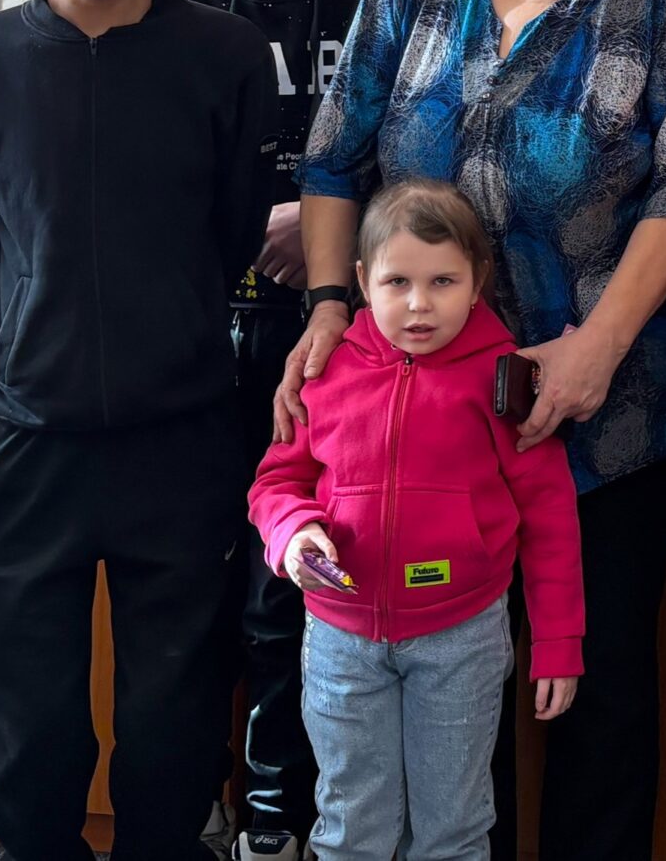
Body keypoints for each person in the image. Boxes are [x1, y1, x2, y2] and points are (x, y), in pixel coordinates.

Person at [281, 0, 666, 861]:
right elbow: (335, 154)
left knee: (598, 686)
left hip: (606, 406)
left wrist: (594, 348)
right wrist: (331, 306)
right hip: (426, 405)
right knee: (447, 688)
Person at [0, 0, 278, 861]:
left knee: (175, 715)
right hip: (26, 438)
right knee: (27, 719)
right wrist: (18, 366)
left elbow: (232, 234)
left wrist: (164, 333)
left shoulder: (226, 53)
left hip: (181, 431)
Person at [167, 0, 378, 861]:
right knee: (202, 572)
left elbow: (426, 137)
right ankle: (198, 792)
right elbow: (157, 166)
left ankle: (277, 811)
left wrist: (328, 225)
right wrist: (259, 219)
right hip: (212, 327)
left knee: (299, 578)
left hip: (355, 326)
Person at [250, 178, 584, 861]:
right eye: (398, 282)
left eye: (442, 282)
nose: (419, 304)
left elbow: (549, 518)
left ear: (477, 281)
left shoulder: (506, 379)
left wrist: (558, 644)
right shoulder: (325, 371)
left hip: (461, 640)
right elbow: (276, 482)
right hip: (340, 640)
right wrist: (295, 532)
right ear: (362, 281)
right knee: (350, 827)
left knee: (453, 829)